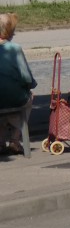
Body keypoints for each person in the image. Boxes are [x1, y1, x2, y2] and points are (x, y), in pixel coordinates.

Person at [0, 12, 36, 155]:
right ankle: (15, 139)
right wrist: (31, 86)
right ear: (9, 32)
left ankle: (0, 142)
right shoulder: (15, 49)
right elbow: (26, 77)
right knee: (28, 98)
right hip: (16, 99)